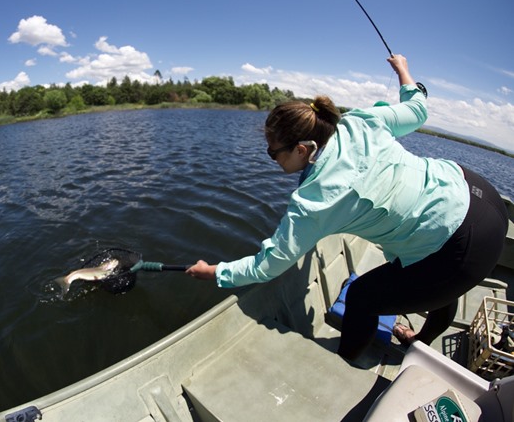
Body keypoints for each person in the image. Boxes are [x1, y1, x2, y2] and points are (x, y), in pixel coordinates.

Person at [185, 54, 509, 360]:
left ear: (301, 149)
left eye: (273, 153)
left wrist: (214, 272)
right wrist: (403, 72)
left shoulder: (312, 204)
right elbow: (418, 109)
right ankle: (419, 342)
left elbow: (267, 266)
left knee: (361, 298)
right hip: (479, 194)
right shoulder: (360, 121)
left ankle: (348, 359)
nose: (271, 158)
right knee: (436, 278)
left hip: (463, 247)